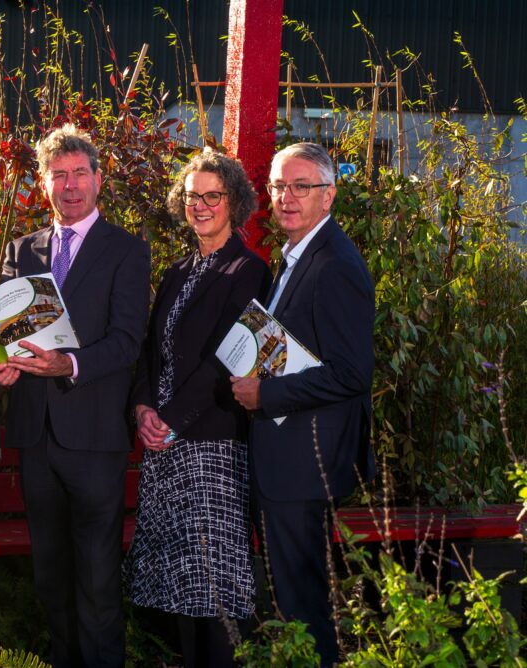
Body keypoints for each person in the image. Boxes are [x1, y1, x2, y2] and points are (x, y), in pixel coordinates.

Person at [0, 124, 151, 668]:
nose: (71, 185)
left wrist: (71, 363)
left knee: (98, 578)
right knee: (51, 573)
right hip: (36, 436)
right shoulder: (20, 250)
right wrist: (2, 364)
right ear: (43, 182)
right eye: (59, 175)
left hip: (95, 436)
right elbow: (5, 334)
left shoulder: (127, 251)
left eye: (80, 173)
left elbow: (128, 341)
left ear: (98, 179)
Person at [125, 151, 272, 668]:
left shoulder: (249, 270)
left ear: (234, 202)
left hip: (211, 444)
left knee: (214, 585)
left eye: (213, 196)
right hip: (164, 447)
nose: (201, 205)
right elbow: (149, 348)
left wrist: (171, 418)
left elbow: (228, 355)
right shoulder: (177, 270)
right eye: (193, 196)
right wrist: (143, 406)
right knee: (177, 582)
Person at [231, 142, 376, 667]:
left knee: (305, 610)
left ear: (328, 196)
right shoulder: (296, 257)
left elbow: (352, 373)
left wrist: (264, 393)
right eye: (277, 186)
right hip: (285, 462)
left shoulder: (334, 263)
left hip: (305, 465)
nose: (286, 197)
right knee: (291, 605)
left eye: (301, 186)